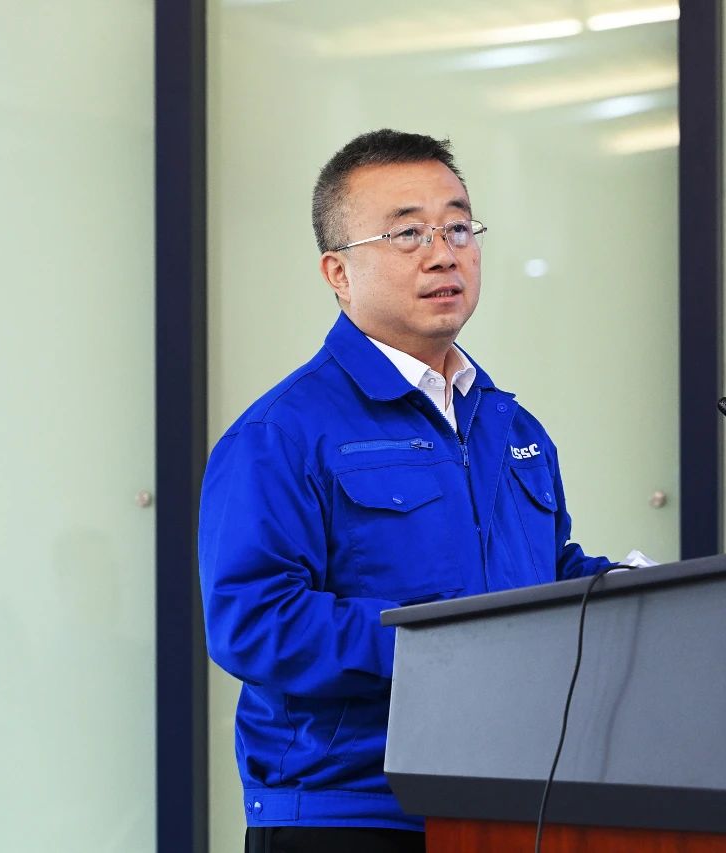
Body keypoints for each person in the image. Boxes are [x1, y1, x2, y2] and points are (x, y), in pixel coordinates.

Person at [198, 129, 610, 853]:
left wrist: (637, 596)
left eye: (458, 227)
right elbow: (253, 621)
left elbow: (546, 572)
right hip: (349, 814)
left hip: (510, 801)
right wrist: (441, 647)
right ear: (338, 271)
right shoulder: (282, 432)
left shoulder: (510, 424)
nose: (443, 253)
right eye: (408, 233)